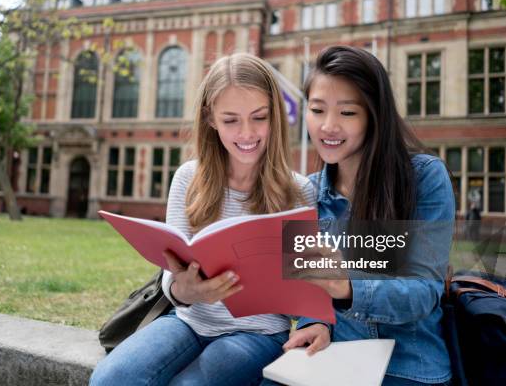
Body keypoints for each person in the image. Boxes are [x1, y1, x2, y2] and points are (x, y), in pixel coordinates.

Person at [89, 52, 320, 386]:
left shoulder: (299, 192)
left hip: (259, 334)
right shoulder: (188, 178)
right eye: (230, 120)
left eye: (259, 117)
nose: (246, 133)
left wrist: (294, 294)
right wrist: (187, 289)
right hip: (188, 321)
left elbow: (308, 294)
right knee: (110, 379)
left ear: (275, 117)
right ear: (210, 119)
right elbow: (173, 279)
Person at [279, 46, 455, 386]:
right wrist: (313, 321)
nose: (328, 126)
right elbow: (306, 291)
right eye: (317, 110)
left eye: (347, 112)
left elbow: (424, 290)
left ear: (374, 115)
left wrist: (345, 285)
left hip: (410, 365)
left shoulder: (426, 177)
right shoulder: (305, 192)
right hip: (332, 359)